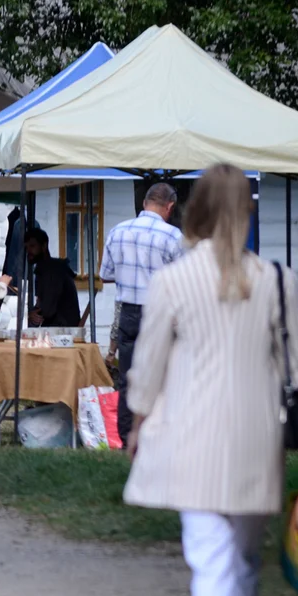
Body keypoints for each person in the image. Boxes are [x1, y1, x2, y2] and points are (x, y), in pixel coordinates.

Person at [123, 164, 298, 596]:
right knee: (246, 559)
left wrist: (137, 425)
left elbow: (150, 363)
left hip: (190, 432)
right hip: (258, 432)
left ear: (196, 210)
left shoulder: (172, 280)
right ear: (246, 211)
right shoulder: (277, 280)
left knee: (211, 558)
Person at [100, 182, 183, 446]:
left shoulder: (118, 231)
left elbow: (106, 274)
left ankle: (127, 438)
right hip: (160, 313)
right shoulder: (173, 236)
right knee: (163, 377)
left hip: (128, 313)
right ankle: (159, 436)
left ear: (145, 203)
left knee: (128, 378)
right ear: (169, 206)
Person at [24, 229, 81, 328]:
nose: (29, 251)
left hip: (63, 329)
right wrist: (32, 313)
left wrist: (32, 315)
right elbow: (41, 303)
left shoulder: (52, 270)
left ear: (44, 246)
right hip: (57, 326)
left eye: (32, 246)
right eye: (26, 247)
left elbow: (47, 310)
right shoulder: (44, 269)